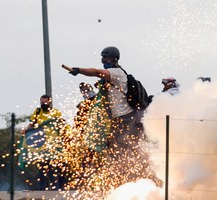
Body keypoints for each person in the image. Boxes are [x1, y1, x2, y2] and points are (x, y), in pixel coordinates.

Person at [65, 46, 154, 188]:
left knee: (117, 148)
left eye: (106, 58)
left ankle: (124, 177)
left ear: (114, 59)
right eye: (102, 57)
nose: (103, 60)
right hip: (119, 117)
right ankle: (124, 175)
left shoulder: (115, 72)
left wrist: (79, 70)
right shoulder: (113, 74)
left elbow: (96, 72)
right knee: (116, 146)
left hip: (124, 116)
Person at [23, 94, 67, 191]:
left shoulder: (56, 112)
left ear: (50, 102)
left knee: (53, 167)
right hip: (41, 144)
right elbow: (32, 124)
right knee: (42, 168)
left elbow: (60, 124)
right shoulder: (38, 111)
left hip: (53, 144)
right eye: (42, 102)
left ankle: (55, 189)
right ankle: (42, 190)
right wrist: (26, 130)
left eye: (45, 102)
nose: (43, 104)